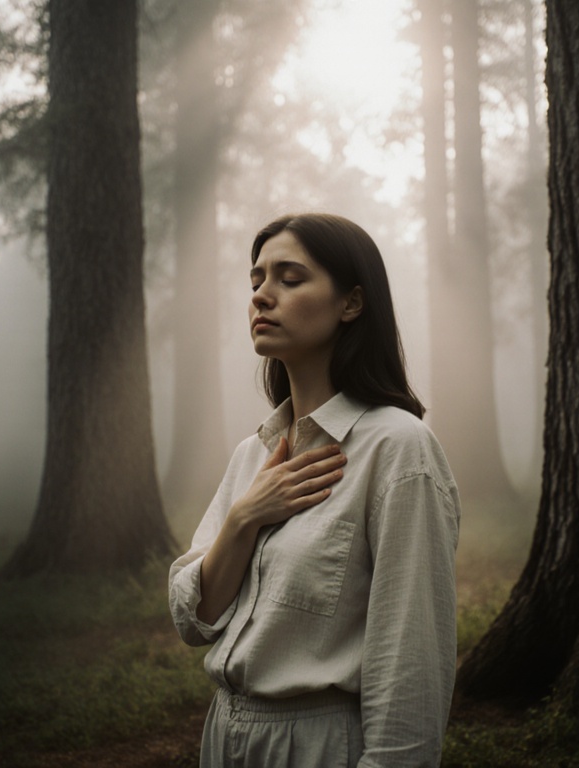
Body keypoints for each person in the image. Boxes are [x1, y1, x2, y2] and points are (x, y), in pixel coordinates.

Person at [169, 213, 460, 767]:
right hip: (225, 738)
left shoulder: (397, 448)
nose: (261, 296)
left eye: (289, 278)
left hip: (321, 746)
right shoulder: (253, 454)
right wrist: (242, 519)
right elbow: (193, 618)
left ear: (351, 303)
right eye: (256, 281)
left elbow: (412, 659)